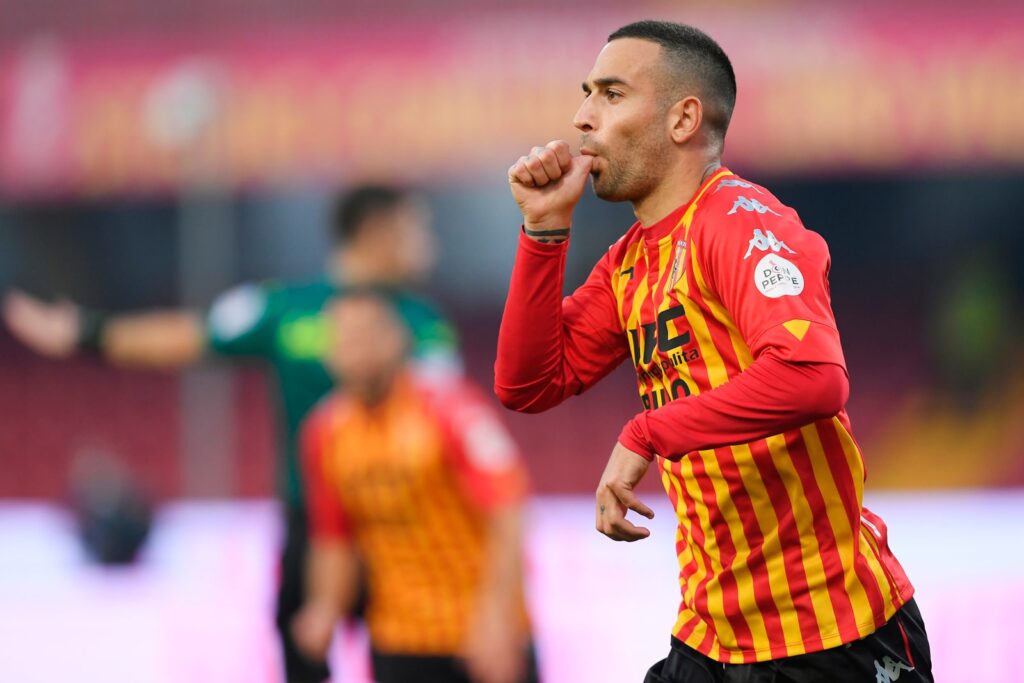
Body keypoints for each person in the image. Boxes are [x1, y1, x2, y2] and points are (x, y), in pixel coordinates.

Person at [496, 20, 932, 683]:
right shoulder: (630, 262)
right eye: (586, 94)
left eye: (611, 94)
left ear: (683, 119)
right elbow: (527, 384)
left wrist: (649, 430)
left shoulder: (741, 222)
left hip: (830, 631)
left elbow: (813, 377)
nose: (583, 117)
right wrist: (544, 228)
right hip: (713, 634)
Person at [2, 185, 460, 683]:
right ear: (378, 231)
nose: (428, 245)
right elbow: (190, 335)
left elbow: (451, 429)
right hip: (311, 527)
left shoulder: (425, 325)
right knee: (303, 662)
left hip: (401, 533)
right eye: (418, 229)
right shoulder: (285, 308)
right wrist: (87, 332)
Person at [293, 289, 538, 683]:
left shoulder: (453, 409)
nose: (354, 352)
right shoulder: (324, 432)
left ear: (396, 340)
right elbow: (334, 537)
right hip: (397, 639)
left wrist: (496, 618)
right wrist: (325, 608)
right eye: (342, 340)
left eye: (365, 336)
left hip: (478, 635)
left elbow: (508, 509)